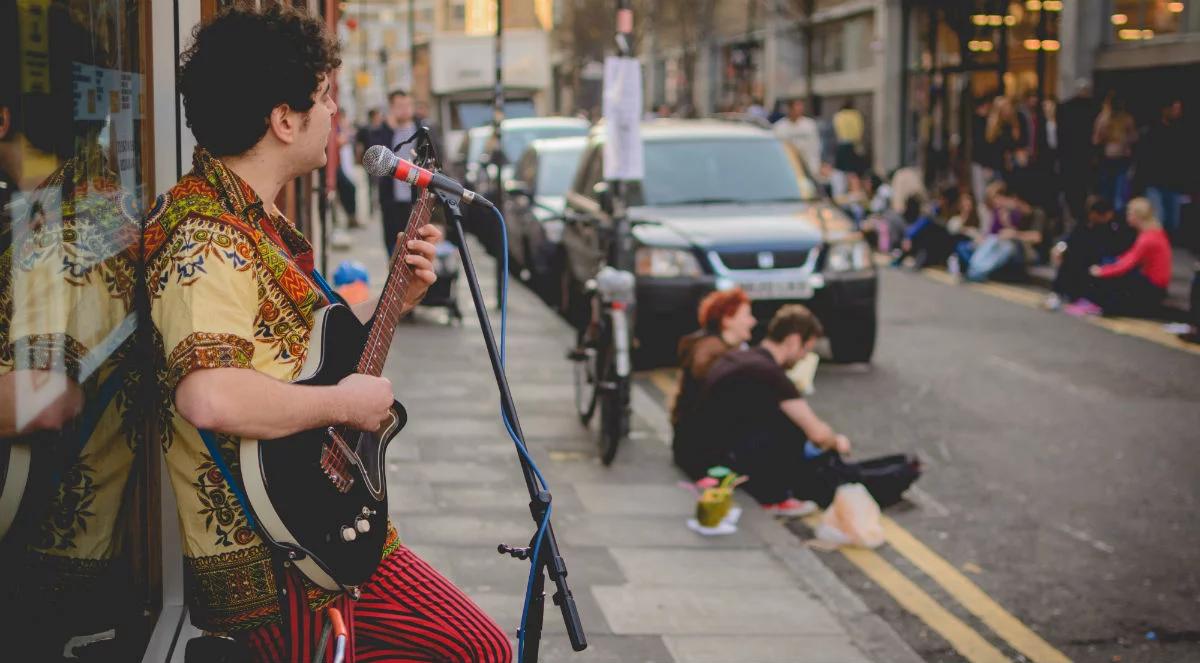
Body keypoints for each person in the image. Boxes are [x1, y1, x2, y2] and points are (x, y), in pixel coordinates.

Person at [145, 7, 510, 661]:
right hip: (276, 561)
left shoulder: (258, 224)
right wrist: (347, 405)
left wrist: (397, 302)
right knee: (478, 649)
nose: (335, 113)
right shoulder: (205, 232)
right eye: (324, 97)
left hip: (311, 528)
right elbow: (209, 396)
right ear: (284, 119)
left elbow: (298, 367)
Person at [699, 305, 848, 515]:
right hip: (730, 464)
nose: (805, 358)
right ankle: (774, 498)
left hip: (705, 453)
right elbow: (818, 434)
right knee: (792, 426)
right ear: (794, 341)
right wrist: (837, 441)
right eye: (806, 350)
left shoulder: (740, 358)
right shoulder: (771, 374)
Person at [672, 288, 756, 480]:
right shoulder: (711, 351)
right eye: (747, 315)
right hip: (703, 452)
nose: (753, 321)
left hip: (696, 445)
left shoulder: (732, 349)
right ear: (727, 319)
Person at [1067, 197, 1171, 318]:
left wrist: (1102, 271)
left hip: (1152, 288)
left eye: (1130, 214)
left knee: (1111, 275)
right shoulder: (1154, 232)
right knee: (1109, 262)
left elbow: (1126, 265)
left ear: (1138, 216)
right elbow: (1127, 257)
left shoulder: (1147, 238)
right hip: (1155, 285)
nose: (1127, 217)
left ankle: (1095, 303)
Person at [1045, 196, 1133, 310]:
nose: (1092, 219)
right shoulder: (1085, 222)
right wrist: (1060, 247)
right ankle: (1057, 293)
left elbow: (1115, 252)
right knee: (1070, 256)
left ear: (1107, 215)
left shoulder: (1116, 228)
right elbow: (1070, 238)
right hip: (1084, 259)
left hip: (1104, 262)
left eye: (1096, 217)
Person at [369, 89, 421, 257]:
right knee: (393, 248)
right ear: (391, 108)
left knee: (415, 248)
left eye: (408, 105)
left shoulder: (422, 130)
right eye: (399, 106)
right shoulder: (384, 132)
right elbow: (375, 160)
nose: (405, 109)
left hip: (416, 200)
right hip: (392, 201)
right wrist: (388, 129)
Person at [964, 182, 1042, 282]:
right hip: (1008, 245)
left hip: (1028, 252)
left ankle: (979, 271)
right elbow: (997, 232)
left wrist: (1015, 234)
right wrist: (1005, 222)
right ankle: (974, 268)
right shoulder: (1012, 213)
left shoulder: (1038, 214)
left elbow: (1036, 237)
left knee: (1006, 247)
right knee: (989, 241)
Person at [1137, 98, 1190, 235]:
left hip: (1173, 183)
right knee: (1157, 219)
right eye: (1175, 109)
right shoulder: (1150, 131)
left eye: (1179, 109)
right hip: (1154, 182)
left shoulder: (1180, 132)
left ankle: (1164, 247)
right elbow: (1143, 158)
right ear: (1165, 110)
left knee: (1173, 222)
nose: (1178, 112)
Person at [1056, 80, 1100, 225]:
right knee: (1076, 190)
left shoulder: (1069, 108)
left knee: (1077, 190)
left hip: (1078, 157)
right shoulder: (1069, 108)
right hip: (1075, 157)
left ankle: (1080, 216)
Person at [1093, 91, 1137, 211]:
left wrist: (1124, 138)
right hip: (1106, 160)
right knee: (1106, 193)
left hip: (1122, 160)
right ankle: (1106, 218)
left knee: (1120, 195)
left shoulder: (1127, 119)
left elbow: (1134, 138)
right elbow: (1096, 140)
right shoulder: (1103, 118)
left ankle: (1118, 221)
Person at [774, 98, 822, 178]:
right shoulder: (779, 127)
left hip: (808, 165)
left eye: (801, 107)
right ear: (789, 108)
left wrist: (816, 166)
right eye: (796, 107)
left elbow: (815, 146)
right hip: (788, 166)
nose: (799, 110)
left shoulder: (810, 125)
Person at [832, 100, 865, 175]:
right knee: (853, 170)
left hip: (842, 144)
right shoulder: (856, 115)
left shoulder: (838, 115)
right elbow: (859, 130)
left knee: (841, 170)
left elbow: (836, 129)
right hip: (853, 144)